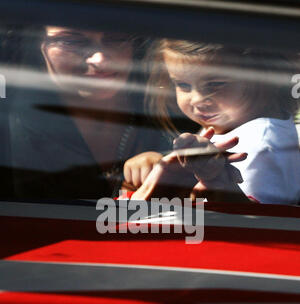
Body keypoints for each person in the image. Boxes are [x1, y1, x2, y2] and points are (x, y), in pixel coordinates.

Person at [125, 39, 300, 204]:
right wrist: (159, 166)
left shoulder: (260, 144)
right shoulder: (232, 126)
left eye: (216, 84)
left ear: (263, 77)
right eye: (183, 85)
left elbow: (251, 222)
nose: (196, 99)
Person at [4, 26, 170, 199]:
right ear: (37, 45)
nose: (100, 60)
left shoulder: (176, 110)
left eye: (116, 38)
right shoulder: (9, 131)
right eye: (71, 41)